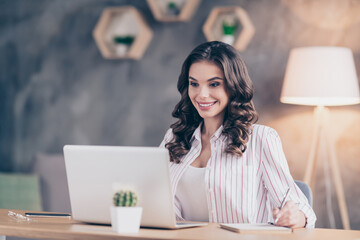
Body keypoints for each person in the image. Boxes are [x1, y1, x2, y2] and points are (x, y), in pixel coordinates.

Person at [159, 41, 316, 228]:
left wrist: (295, 217)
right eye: (194, 84)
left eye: (214, 84)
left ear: (234, 86)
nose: (202, 94)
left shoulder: (261, 139)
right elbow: (154, 198)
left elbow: (300, 208)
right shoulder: (174, 138)